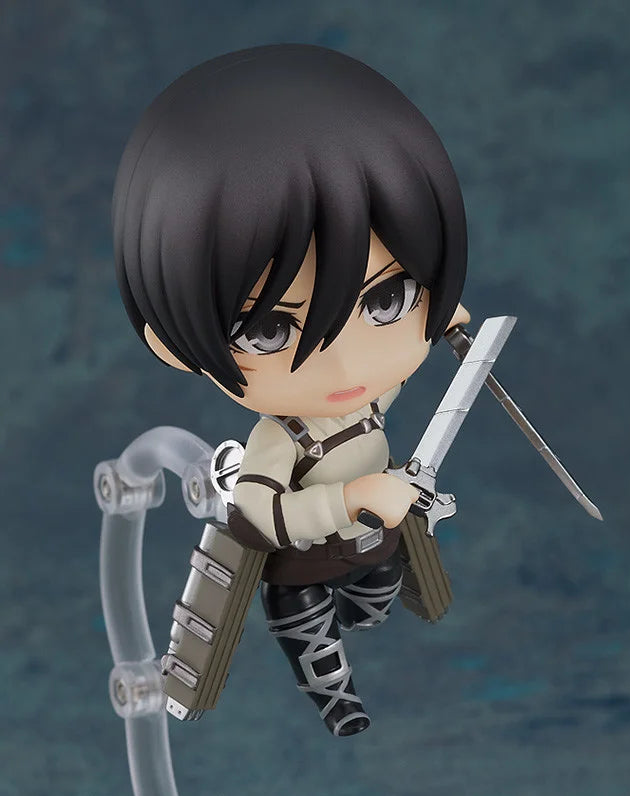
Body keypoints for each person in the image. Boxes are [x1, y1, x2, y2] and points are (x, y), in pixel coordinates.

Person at [113, 43, 469, 736]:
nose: (343, 366)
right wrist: (351, 498)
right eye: (270, 331)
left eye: (388, 299)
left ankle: (365, 611)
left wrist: (435, 327)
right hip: (302, 569)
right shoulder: (278, 439)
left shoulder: (362, 401)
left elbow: (386, 391)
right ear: (172, 343)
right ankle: (338, 701)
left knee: (376, 601)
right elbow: (262, 518)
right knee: (315, 643)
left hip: (373, 547)